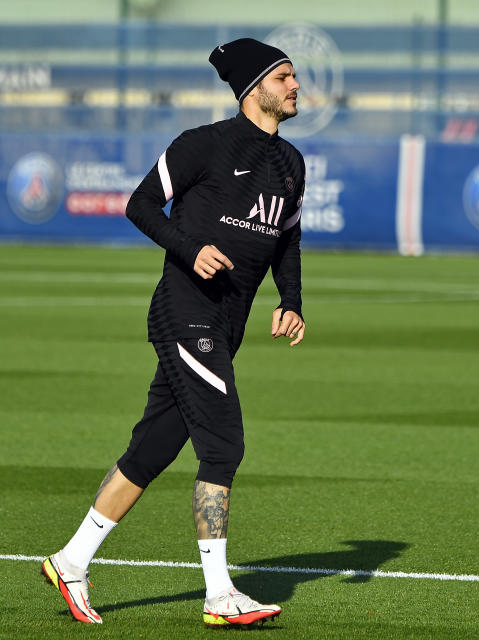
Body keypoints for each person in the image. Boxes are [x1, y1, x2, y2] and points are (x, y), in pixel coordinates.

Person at [40, 38, 306, 629]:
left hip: (227, 323)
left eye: (295, 77)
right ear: (253, 87)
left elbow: (287, 238)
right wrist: (191, 251)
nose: (295, 87)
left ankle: (70, 560)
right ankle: (219, 595)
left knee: (155, 448)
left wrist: (292, 298)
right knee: (224, 444)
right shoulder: (202, 145)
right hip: (185, 311)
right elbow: (139, 205)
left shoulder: (292, 164)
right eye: (285, 76)